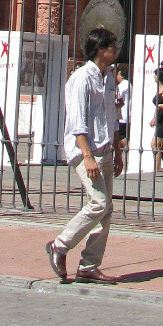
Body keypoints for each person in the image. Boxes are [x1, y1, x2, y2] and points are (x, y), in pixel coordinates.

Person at [46, 27, 124, 285]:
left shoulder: (109, 78)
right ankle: (60, 245)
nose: (115, 49)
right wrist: (87, 155)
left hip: (105, 149)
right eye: (110, 46)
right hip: (85, 150)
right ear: (99, 50)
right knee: (98, 203)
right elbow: (77, 122)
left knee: (107, 210)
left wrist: (118, 151)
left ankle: (89, 265)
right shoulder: (81, 78)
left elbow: (112, 119)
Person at [114, 62, 131, 139]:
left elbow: (116, 96)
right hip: (127, 115)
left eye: (117, 74)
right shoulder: (129, 84)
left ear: (121, 76)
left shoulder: (123, 85)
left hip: (123, 115)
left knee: (120, 138)